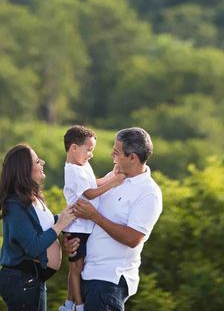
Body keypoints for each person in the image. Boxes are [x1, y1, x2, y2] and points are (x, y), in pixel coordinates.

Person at [72, 128, 163, 311]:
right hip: (89, 274)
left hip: (109, 280)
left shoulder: (148, 193)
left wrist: (95, 217)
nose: (111, 155)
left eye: (116, 152)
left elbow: (132, 239)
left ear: (133, 158)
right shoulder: (114, 176)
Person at [0, 143, 78, 311]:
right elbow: (33, 246)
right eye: (38, 161)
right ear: (25, 169)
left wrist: (65, 216)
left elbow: (43, 228)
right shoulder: (15, 205)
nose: (43, 163)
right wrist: (60, 224)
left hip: (32, 279)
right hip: (22, 280)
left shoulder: (32, 198)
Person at [58, 125, 126, 311]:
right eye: (88, 150)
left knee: (80, 267)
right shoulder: (72, 170)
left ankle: (70, 302)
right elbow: (90, 193)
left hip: (87, 227)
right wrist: (113, 183)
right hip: (77, 227)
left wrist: (112, 175)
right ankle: (77, 305)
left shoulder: (83, 166)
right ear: (74, 148)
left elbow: (94, 183)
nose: (91, 154)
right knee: (76, 268)